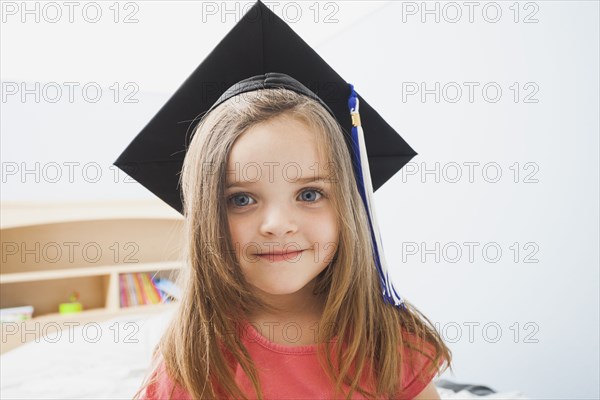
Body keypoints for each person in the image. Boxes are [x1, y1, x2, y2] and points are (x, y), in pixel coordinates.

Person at [115, 2, 453, 399]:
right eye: (240, 199)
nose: (276, 223)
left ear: (348, 205)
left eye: (309, 194)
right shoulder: (194, 358)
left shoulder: (385, 340)